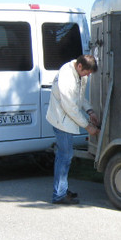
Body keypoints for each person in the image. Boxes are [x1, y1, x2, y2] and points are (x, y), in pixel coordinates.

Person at [46, 54, 100, 204]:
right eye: (87, 72)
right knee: (65, 157)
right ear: (80, 66)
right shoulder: (66, 76)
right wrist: (87, 126)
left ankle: (62, 189)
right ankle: (59, 195)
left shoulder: (78, 72)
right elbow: (70, 106)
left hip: (66, 119)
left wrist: (90, 111)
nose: (88, 76)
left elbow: (79, 97)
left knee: (64, 157)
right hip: (61, 120)